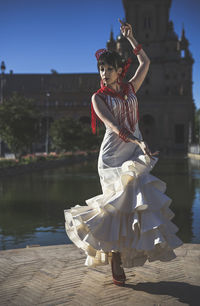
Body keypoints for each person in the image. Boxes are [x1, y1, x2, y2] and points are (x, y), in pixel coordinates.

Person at [64, 19, 183, 286]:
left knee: (136, 201)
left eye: (108, 69)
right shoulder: (98, 97)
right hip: (112, 156)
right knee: (115, 208)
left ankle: (125, 252)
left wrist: (130, 37)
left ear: (120, 70)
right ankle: (114, 257)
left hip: (134, 152)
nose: (104, 74)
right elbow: (114, 126)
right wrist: (140, 143)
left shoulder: (131, 88)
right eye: (101, 69)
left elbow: (146, 63)